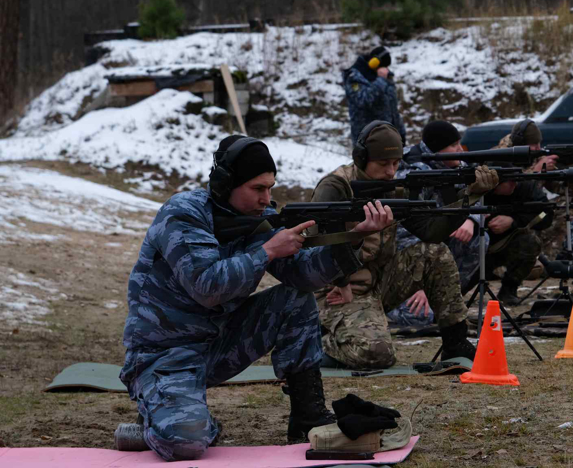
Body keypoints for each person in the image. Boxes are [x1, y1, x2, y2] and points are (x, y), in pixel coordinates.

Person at [119, 135, 395, 461]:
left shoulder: (255, 220)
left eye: (270, 187)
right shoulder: (183, 215)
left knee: (295, 298)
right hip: (164, 355)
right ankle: (155, 418)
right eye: (257, 189)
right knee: (188, 443)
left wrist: (353, 239)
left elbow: (302, 274)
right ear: (226, 184)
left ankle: (308, 416)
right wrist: (268, 250)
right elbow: (207, 287)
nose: (267, 198)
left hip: (218, 343)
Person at [311, 121, 499, 369]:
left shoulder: (392, 188)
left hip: (377, 283)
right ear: (361, 158)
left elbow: (431, 233)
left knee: (435, 253)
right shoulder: (336, 187)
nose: (391, 171)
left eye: (396, 163)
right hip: (338, 291)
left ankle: (456, 342)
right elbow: (317, 246)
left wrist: (467, 197)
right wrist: (342, 281)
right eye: (383, 164)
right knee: (376, 355)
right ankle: (317, 340)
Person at [388, 120, 487, 328]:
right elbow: (406, 233)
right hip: (406, 255)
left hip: (438, 243)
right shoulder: (411, 171)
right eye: (453, 146)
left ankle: (447, 296)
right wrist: (419, 283)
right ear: (437, 149)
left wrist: (470, 220)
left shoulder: (457, 167)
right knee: (418, 319)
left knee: (480, 238)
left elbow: (478, 199)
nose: (460, 150)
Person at [481, 174, 555, 305]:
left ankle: (509, 290)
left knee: (530, 243)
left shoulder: (527, 187)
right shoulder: (480, 189)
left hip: (508, 244)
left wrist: (514, 221)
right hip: (478, 246)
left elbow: (545, 213)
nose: (514, 184)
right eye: (509, 181)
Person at [343, 46, 407, 145]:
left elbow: (393, 109)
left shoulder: (384, 76)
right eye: (383, 66)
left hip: (390, 136)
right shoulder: (354, 77)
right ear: (374, 62)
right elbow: (363, 100)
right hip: (368, 139)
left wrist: (401, 132)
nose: (386, 69)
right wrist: (381, 80)